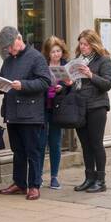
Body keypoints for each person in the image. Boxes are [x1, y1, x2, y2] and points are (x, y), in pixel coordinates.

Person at [0, 25, 50, 201]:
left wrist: (24, 85)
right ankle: (19, 183)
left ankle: (34, 185)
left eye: (11, 47)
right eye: (7, 49)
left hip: (31, 114)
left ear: (18, 39)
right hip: (12, 112)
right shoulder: (9, 60)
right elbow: (3, 80)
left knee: (32, 151)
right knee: (17, 151)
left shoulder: (36, 57)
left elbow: (44, 82)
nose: (10, 51)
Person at [71, 29, 111, 193]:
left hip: (97, 106)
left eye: (86, 44)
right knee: (85, 144)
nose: (82, 47)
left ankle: (101, 180)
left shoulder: (104, 61)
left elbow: (107, 84)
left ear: (93, 44)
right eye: (81, 44)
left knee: (96, 144)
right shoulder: (76, 61)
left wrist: (90, 75)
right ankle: (89, 178)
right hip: (80, 106)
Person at [42, 35, 71, 191]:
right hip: (43, 107)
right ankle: (38, 176)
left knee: (55, 142)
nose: (56, 54)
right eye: (53, 51)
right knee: (40, 142)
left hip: (59, 108)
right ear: (48, 53)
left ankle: (54, 177)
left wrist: (64, 87)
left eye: (58, 51)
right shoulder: (42, 65)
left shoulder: (66, 66)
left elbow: (72, 87)